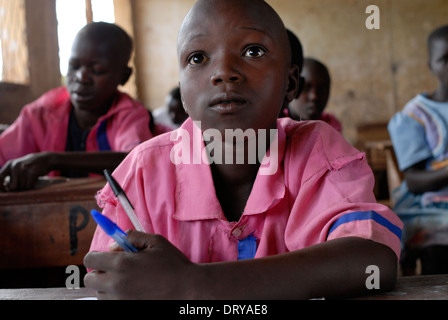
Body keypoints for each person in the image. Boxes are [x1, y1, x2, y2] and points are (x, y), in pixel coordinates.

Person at [84, 0, 402, 299]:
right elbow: (112, 279)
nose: (224, 72)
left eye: (253, 51)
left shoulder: (317, 151)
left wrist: (191, 283)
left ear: (290, 84)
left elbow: (372, 261)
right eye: (197, 58)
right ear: (182, 91)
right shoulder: (143, 171)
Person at [0, 22, 155, 192]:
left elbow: (139, 160)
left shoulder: (129, 114)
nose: (81, 77)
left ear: (123, 76)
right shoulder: (42, 112)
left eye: (97, 70)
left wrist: (52, 160)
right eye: (74, 66)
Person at [388, 24, 448, 275]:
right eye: (445, 59)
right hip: (430, 207)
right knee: (437, 248)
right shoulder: (415, 114)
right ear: (431, 65)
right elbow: (414, 182)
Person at [288, 57, 342, 133]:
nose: (314, 96)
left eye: (321, 89)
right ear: (291, 87)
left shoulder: (331, 129)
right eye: (306, 88)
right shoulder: (271, 125)